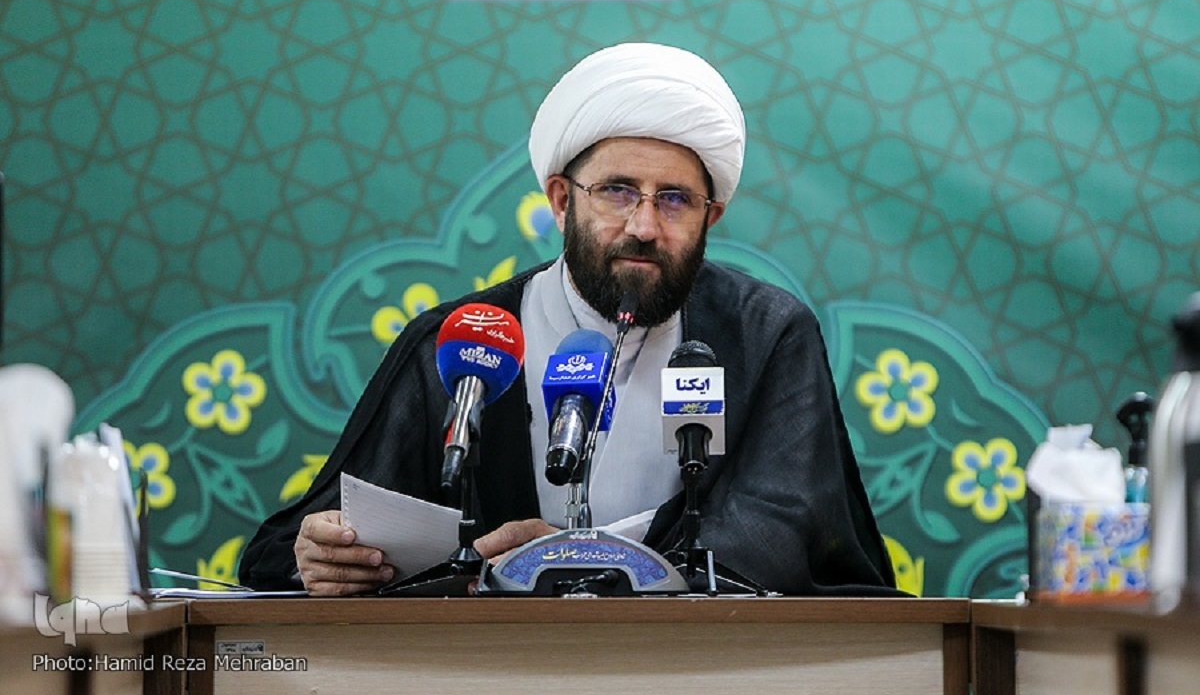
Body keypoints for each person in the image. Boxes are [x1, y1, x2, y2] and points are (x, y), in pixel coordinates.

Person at [239, 42, 897, 596]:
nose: (644, 226)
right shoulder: (468, 340)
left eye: (674, 200)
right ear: (561, 200)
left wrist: (576, 558)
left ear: (711, 217)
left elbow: (782, 530)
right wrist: (322, 555)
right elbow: (303, 541)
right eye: (617, 191)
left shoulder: (764, 333)